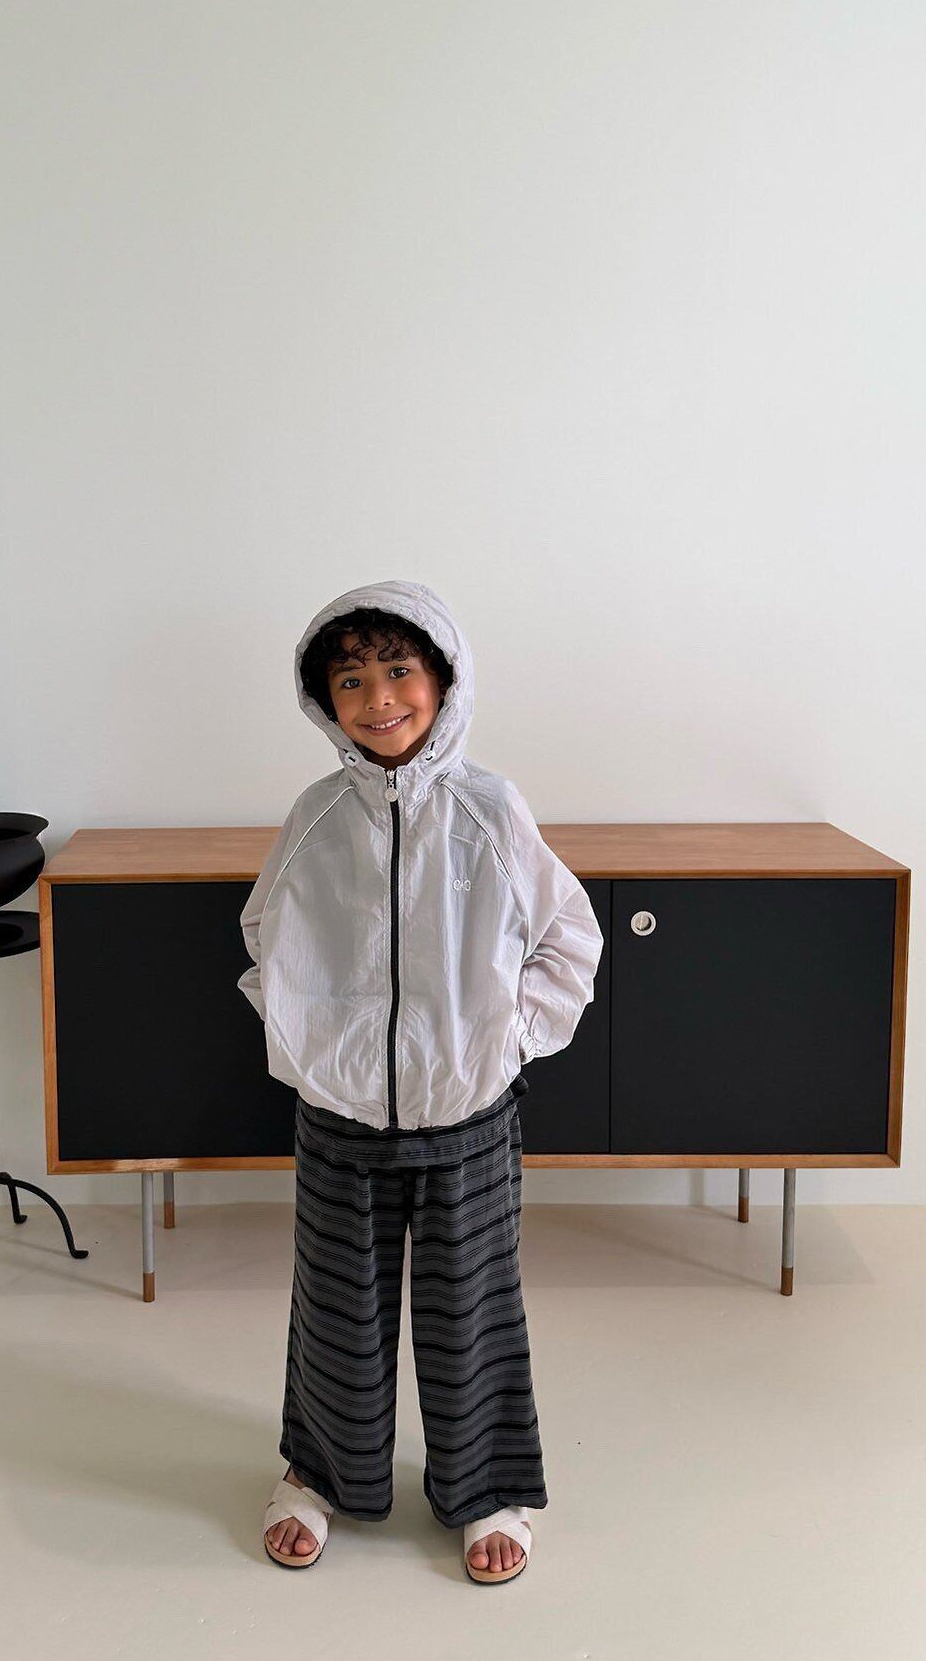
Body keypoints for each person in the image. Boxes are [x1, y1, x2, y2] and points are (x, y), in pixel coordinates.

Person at [237, 578, 603, 1583]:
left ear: (443, 679)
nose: (379, 698)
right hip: (338, 1120)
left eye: (399, 670)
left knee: (470, 1309)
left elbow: (567, 935)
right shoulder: (316, 816)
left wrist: (507, 1039)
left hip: (467, 1115)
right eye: (351, 679)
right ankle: (317, 1473)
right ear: (325, 700)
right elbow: (263, 933)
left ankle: (485, 1487)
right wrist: (309, 1042)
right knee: (335, 1311)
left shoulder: (489, 808)